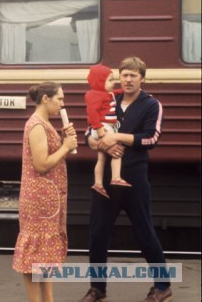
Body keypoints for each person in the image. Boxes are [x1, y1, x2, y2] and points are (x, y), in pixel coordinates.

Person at [80, 57, 171, 302]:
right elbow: (89, 131)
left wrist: (117, 138)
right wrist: (103, 144)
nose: (128, 79)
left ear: (142, 78)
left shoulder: (152, 105)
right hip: (105, 182)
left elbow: (152, 138)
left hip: (135, 180)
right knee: (97, 234)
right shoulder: (109, 98)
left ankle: (162, 286)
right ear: (119, 77)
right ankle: (97, 289)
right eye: (124, 75)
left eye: (133, 75)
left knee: (145, 233)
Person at [12, 81, 77, 302]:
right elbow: (41, 164)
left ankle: (48, 300)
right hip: (39, 199)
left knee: (45, 254)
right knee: (34, 253)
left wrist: (61, 138)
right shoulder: (37, 125)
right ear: (46, 99)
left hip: (47, 198)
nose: (62, 104)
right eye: (59, 99)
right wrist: (66, 147)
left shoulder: (45, 123)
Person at [85, 64, 130, 198]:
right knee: (117, 150)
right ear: (100, 82)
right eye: (110, 80)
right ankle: (116, 177)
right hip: (103, 127)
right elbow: (92, 112)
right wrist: (98, 127)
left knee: (101, 157)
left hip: (102, 127)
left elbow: (113, 94)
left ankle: (98, 184)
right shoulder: (94, 95)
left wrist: (123, 90)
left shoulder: (105, 93)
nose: (113, 83)